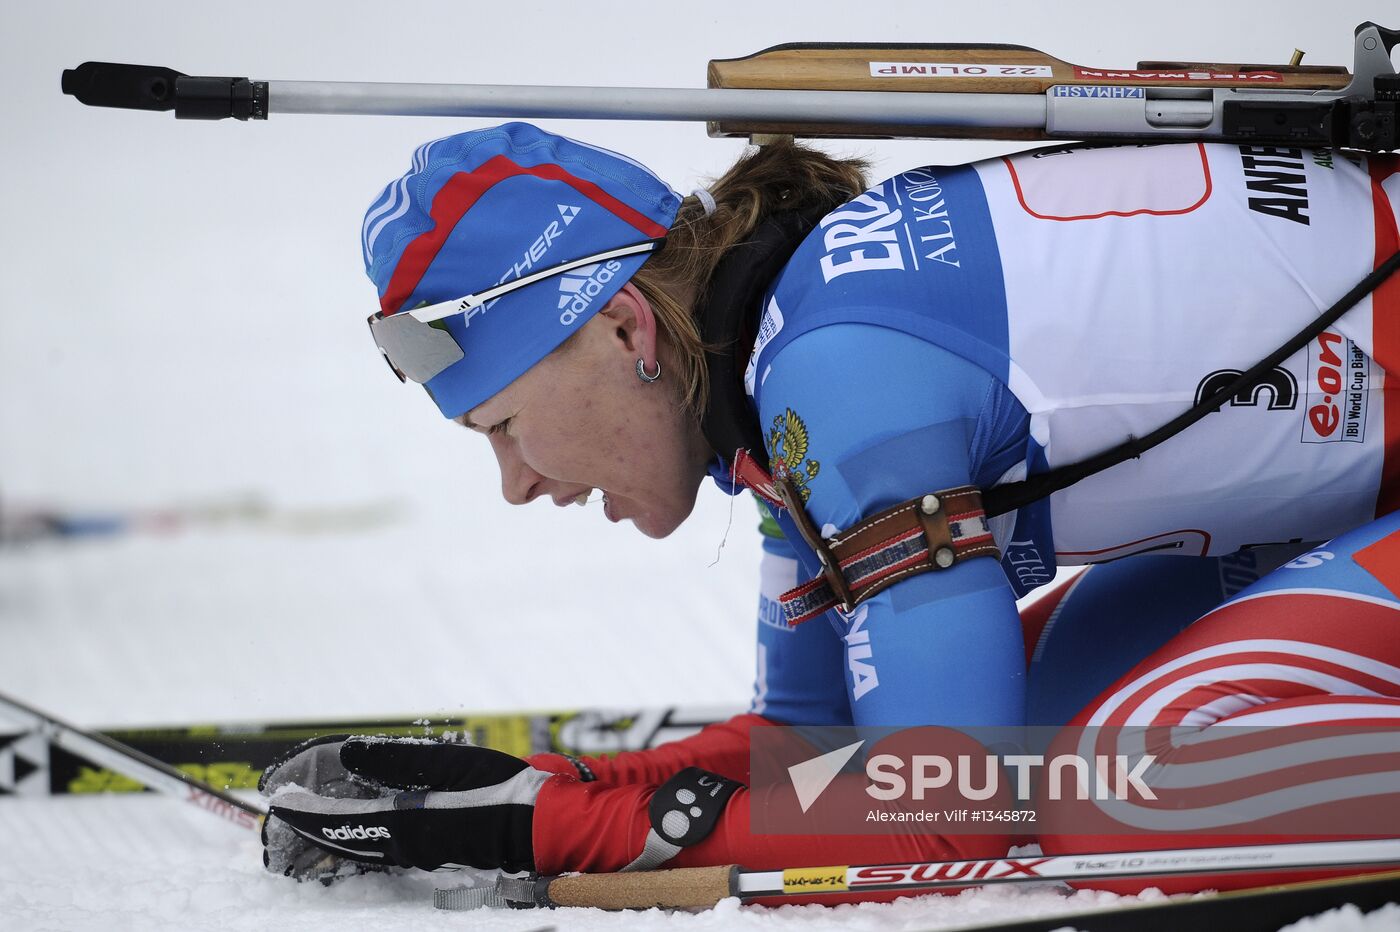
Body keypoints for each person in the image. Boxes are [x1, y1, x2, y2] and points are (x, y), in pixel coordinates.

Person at [261, 123, 1400, 898]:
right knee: (1052, 746)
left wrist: (555, 832)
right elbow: (822, 745)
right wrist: (557, 793)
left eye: (501, 424)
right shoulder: (782, 386)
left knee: (1105, 793)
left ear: (621, 331)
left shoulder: (839, 383)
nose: (516, 481)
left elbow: (944, 813)